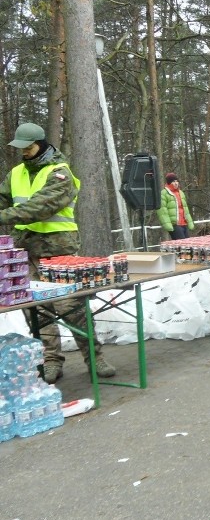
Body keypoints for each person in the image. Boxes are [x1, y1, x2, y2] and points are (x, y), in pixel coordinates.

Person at [0, 123, 116, 384]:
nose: (24, 153)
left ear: (41, 144)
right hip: (26, 251)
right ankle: (50, 360)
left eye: (28, 147)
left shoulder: (60, 173)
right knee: (40, 312)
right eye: (21, 148)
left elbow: (40, 207)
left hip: (59, 253)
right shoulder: (16, 173)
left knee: (72, 308)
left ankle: (93, 356)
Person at [156, 173, 194, 240]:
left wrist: (190, 222)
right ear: (169, 183)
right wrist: (168, 225)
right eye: (173, 181)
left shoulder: (181, 193)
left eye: (177, 181)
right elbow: (162, 211)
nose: (176, 183)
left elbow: (185, 209)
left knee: (188, 245)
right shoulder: (164, 193)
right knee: (182, 245)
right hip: (175, 225)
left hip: (184, 223)